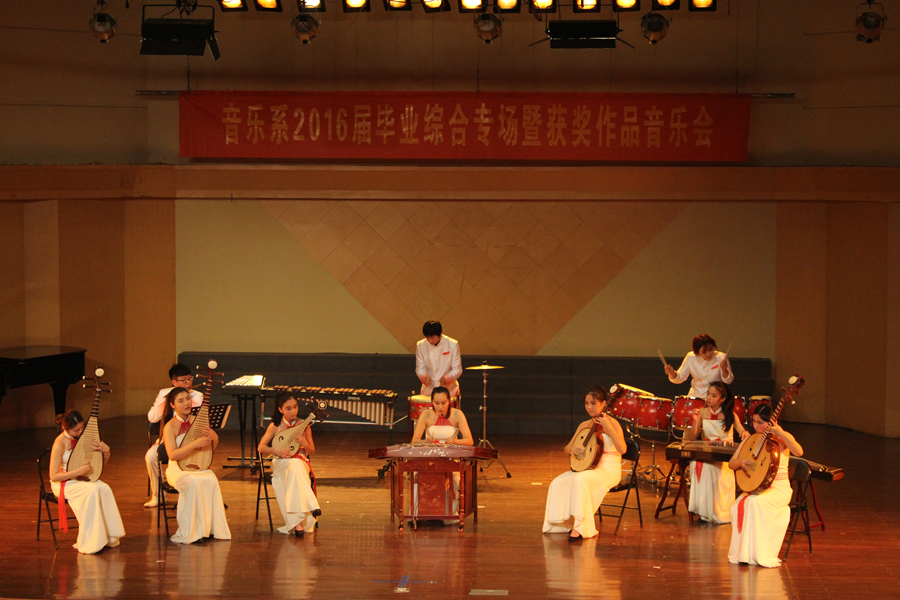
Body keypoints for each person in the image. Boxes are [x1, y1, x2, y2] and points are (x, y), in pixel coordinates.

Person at [543, 387, 627, 542]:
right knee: (557, 482)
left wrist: (608, 427)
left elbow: (623, 449)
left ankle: (580, 527)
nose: (589, 407)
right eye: (587, 403)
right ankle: (560, 524)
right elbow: (567, 448)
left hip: (609, 470)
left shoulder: (613, 424)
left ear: (603, 403)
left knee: (581, 480)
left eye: (593, 403)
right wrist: (572, 449)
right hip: (588, 468)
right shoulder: (585, 425)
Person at [727, 403, 803, 567]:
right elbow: (732, 463)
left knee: (755, 503)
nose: (756, 426)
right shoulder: (751, 440)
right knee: (736, 505)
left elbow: (798, 451)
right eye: (754, 421)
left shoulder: (781, 439)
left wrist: (780, 433)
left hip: (779, 490)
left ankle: (758, 554)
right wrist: (741, 462)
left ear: (771, 423)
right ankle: (744, 554)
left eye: (760, 422)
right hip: (758, 487)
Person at [49, 410, 125, 554]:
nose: (80, 432)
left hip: (81, 478)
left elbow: (97, 468)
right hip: (64, 482)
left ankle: (109, 536)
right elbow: (54, 476)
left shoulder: (84, 438)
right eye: (76, 430)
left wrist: (106, 452)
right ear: (65, 428)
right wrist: (78, 472)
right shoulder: (59, 443)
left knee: (104, 487)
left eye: (81, 428)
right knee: (92, 490)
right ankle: (93, 541)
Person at [162, 387, 231, 544]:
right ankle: (192, 531)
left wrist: (214, 438)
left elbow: (209, 449)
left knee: (211, 479)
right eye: (181, 401)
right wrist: (194, 445)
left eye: (188, 399)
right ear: (172, 405)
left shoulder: (198, 421)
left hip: (198, 464)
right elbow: (172, 455)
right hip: (177, 469)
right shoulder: (170, 426)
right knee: (192, 482)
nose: (186, 403)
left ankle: (209, 529)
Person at [257, 392, 321, 537]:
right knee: (294, 468)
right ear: (280, 409)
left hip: (300, 463)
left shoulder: (304, 426)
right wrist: (276, 450)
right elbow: (261, 448)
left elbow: (312, 450)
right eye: (288, 408)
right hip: (281, 464)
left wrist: (304, 443)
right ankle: (312, 505)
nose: (293, 411)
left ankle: (298, 524)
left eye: (295, 407)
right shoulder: (275, 426)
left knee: (296, 466)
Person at [144, 363, 203, 508]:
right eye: (183, 380)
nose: (188, 383)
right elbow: (152, 418)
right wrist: (167, 400)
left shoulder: (197, 396)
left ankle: (194, 493)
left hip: (189, 440)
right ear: (174, 382)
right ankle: (158, 496)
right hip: (169, 439)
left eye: (189, 379)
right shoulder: (164, 394)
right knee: (150, 456)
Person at [684, 381, 741, 524]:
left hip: (724, 456)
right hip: (708, 453)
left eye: (713, 396)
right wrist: (696, 421)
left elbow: (742, 432)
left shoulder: (731, 415)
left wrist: (745, 434)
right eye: (708, 394)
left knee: (709, 467)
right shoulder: (702, 413)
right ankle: (703, 511)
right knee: (696, 463)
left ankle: (714, 512)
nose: (708, 397)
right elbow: (693, 437)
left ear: (722, 399)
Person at [664, 334, 734, 399]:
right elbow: (680, 377)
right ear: (697, 352)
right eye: (704, 352)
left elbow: (729, 380)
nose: (709, 354)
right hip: (695, 396)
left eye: (711, 350)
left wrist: (724, 369)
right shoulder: (690, 357)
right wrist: (672, 373)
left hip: (714, 398)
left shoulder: (721, 357)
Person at [415, 320, 462, 404]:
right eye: (427, 337)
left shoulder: (452, 344)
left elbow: (457, 369)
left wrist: (447, 379)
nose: (430, 340)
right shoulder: (421, 345)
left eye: (432, 337)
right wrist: (424, 378)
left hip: (449, 391)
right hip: (429, 391)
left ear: (440, 334)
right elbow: (420, 368)